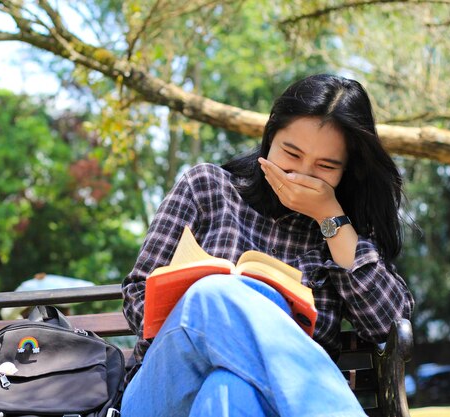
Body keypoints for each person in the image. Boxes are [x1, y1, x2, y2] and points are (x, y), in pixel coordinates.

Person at [121, 74, 414, 416]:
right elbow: (136, 298)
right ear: (270, 136)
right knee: (211, 295)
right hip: (164, 391)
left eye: (325, 166)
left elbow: (390, 325)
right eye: (292, 153)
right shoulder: (206, 188)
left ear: (346, 171)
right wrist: (217, 316)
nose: (300, 174)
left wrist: (330, 218)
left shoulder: (345, 228)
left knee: (229, 389)